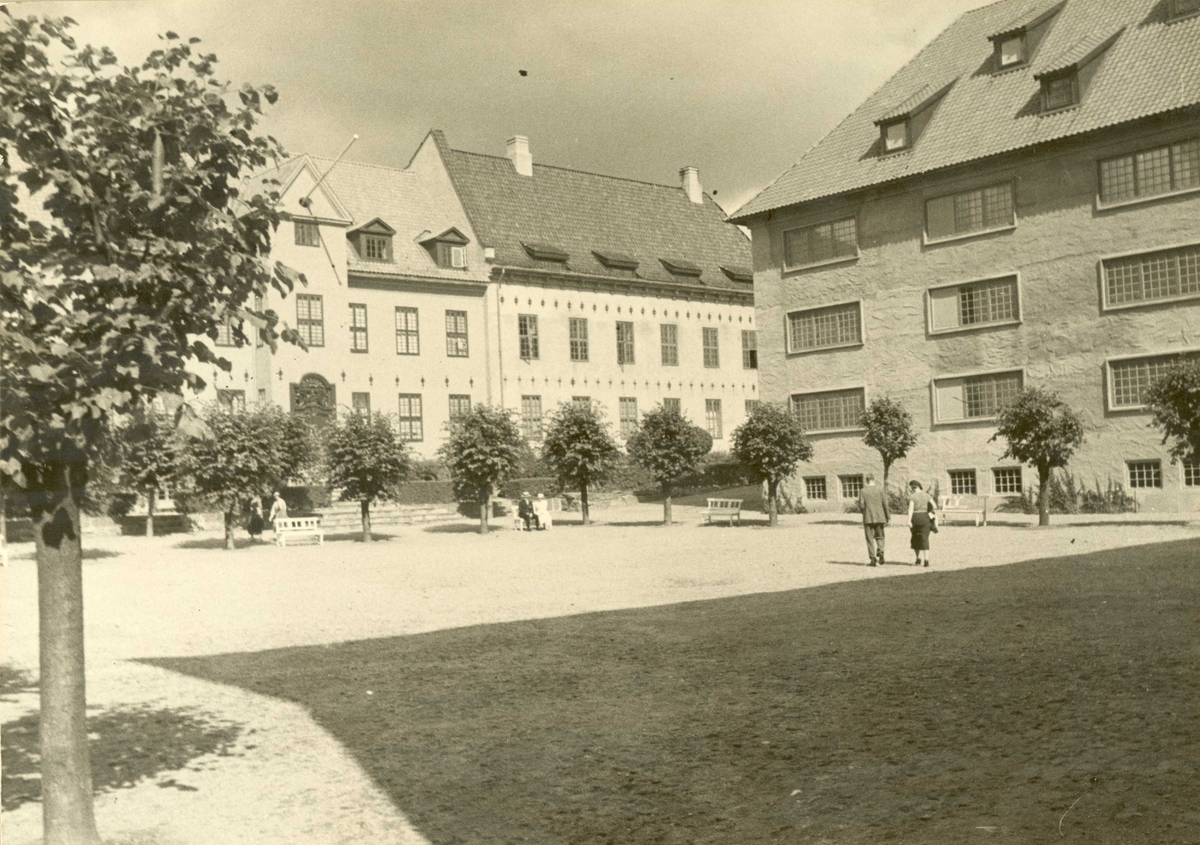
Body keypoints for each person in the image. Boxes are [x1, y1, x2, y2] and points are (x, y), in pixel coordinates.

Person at [857, 474, 889, 566]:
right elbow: (885, 504)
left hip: (868, 518)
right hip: (880, 517)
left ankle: (873, 559)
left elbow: (861, 505)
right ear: (874, 479)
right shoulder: (880, 489)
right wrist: (888, 517)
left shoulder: (863, 491)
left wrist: (865, 513)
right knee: (880, 536)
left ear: (866, 481)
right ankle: (881, 550)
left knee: (869, 538)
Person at [906, 480, 936, 568]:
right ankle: (926, 561)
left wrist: (908, 520)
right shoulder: (927, 495)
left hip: (915, 518)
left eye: (912, 488)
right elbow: (935, 506)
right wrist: (929, 511)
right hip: (925, 518)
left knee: (915, 538)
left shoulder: (912, 496)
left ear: (913, 488)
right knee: (925, 538)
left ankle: (918, 559)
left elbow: (911, 509)